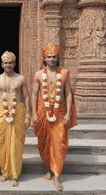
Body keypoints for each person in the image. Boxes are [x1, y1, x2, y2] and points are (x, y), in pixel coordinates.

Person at [31, 43, 77, 191]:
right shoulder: (38, 74)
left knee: (59, 142)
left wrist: (69, 113)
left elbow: (68, 93)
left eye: (54, 56)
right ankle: (49, 168)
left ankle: (56, 175)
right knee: (44, 142)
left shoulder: (64, 73)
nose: (52, 59)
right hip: (42, 112)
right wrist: (33, 113)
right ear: (44, 58)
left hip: (60, 112)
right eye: (49, 56)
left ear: (58, 58)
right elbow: (33, 94)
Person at [0, 51, 31, 187]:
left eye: (11, 62)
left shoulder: (21, 79)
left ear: (14, 63)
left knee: (15, 145)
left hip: (17, 112)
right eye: (6, 63)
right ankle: (4, 171)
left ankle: (14, 174)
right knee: (0, 142)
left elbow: (26, 97)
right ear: (2, 64)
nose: (8, 65)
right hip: (2, 111)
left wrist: (28, 115)